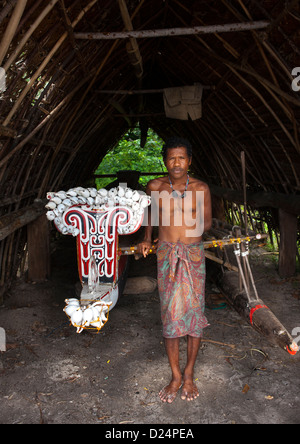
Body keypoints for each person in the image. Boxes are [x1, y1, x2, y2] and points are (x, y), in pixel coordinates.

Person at [138, 137, 212, 403]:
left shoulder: (201, 188)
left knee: (193, 314)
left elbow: (206, 222)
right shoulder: (155, 187)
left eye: (182, 157)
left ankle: (189, 373)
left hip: (192, 257)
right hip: (167, 257)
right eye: (171, 158)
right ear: (164, 161)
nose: (177, 163)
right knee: (171, 316)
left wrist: (184, 228)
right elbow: (149, 216)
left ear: (189, 161)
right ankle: (175, 376)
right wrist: (148, 237)